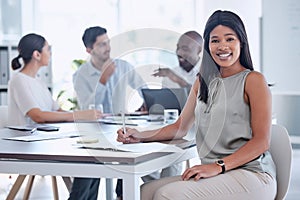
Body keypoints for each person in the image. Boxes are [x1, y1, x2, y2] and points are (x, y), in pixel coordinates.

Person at [117, 10, 276, 200]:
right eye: (215, 40)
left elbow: (261, 141)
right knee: (143, 192)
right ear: (208, 46)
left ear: (241, 42)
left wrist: (218, 166)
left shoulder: (253, 80)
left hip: (251, 174)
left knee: (166, 195)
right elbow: (179, 127)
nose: (222, 46)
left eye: (229, 39)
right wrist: (139, 135)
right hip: (217, 174)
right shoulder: (202, 82)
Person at [71, 26, 146, 200]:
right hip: (94, 132)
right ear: (89, 50)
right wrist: (103, 79)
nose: (108, 47)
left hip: (121, 128)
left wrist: (146, 102)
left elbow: (143, 88)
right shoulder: (81, 75)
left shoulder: (123, 66)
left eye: (108, 42)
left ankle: (122, 195)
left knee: (131, 148)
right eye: (102, 44)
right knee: (90, 161)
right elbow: (88, 108)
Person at [142, 31, 203, 183]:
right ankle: (160, 185)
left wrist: (177, 79)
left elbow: (201, 97)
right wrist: (150, 106)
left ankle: (163, 187)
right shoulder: (171, 73)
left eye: (185, 48)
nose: (179, 52)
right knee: (141, 153)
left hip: (197, 128)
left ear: (199, 51)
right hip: (174, 126)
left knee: (174, 149)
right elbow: (166, 107)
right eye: (178, 47)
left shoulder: (208, 72)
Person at [8, 33, 100, 126]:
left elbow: (57, 111)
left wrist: (86, 116)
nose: (50, 53)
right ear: (37, 54)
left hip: (41, 136)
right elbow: (38, 116)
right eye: (48, 49)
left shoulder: (38, 81)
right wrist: (78, 115)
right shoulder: (18, 80)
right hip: (23, 138)